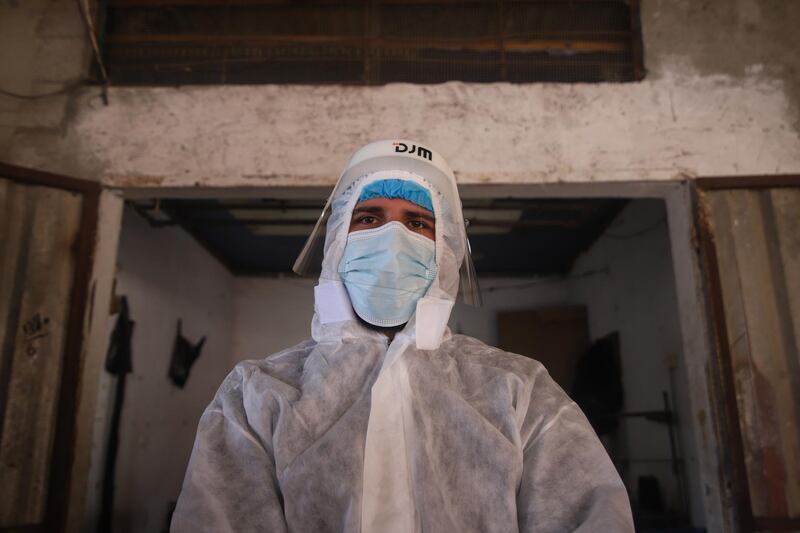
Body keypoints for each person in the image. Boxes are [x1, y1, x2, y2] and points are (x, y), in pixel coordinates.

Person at [171, 140, 634, 533]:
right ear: (336, 244)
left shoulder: (521, 391)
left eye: (417, 224)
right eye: (369, 218)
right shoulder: (255, 394)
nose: (392, 239)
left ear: (445, 253)